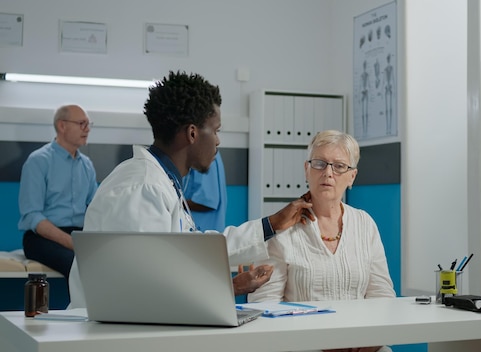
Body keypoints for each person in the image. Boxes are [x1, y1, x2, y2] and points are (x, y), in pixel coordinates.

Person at [67, 71, 314, 308]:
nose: (217, 141)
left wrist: (272, 225)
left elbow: (191, 252)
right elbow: (146, 286)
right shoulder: (142, 188)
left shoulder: (163, 182)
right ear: (192, 133)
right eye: (215, 130)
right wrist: (227, 288)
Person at [248, 130, 395, 352]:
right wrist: (321, 343)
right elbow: (264, 306)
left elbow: (382, 296)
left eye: (339, 166)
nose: (328, 173)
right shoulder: (283, 229)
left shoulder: (365, 224)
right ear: (307, 170)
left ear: (352, 176)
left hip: (362, 345)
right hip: (302, 346)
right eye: (319, 163)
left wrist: (368, 341)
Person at [18, 105, 98, 279]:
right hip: (42, 237)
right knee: (76, 265)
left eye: (88, 124)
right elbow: (33, 216)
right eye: (82, 124)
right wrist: (73, 243)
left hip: (78, 235)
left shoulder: (87, 165)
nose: (88, 129)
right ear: (62, 126)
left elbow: (95, 209)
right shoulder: (38, 161)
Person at [183, 151, 227, 232]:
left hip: (202, 232)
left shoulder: (204, 155)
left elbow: (206, 201)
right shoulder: (202, 154)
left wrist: (176, 203)